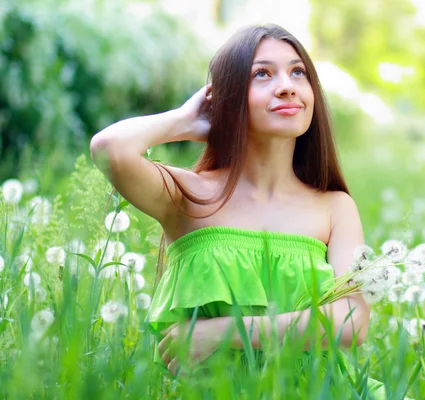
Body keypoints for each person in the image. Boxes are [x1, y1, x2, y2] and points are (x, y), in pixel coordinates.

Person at [90, 24, 385, 398]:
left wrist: (223, 332)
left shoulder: (334, 207)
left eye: (299, 72)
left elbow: (352, 321)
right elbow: (109, 150)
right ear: (226, 98)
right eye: (262, 74)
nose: (287, 85)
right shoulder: (186, 195)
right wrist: (186, 121)